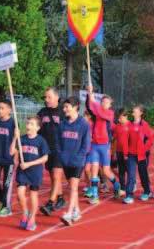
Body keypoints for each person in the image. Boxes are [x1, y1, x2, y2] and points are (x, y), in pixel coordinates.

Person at [58, 96, 91, 226]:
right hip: (65, 161)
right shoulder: (62, 124)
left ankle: (69, 213)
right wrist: (61, 155)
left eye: (67, 107)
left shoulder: (83, 124)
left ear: (76, 107)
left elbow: (86, 144)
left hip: (77, 161)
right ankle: (77, 210)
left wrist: (79, 157)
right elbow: (59, 142)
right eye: (64, 107)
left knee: (73, 187)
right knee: (72, 187)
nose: (64, 109)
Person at [13, 117, 49, 231]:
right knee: (19, 194)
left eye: (32, 124)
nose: (28, 125)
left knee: (33, 195)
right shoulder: (21, 139)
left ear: (37, 128)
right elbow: (11, 152)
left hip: (35, 172)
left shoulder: (41, 141)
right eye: (28, 123)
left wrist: (29, 164)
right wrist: (15, 137)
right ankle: (25, 213)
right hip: (22, 171)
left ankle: (32, 218)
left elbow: (45, 158)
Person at [86, 86, 120, 204]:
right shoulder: (96, 111)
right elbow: (90, 106)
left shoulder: (110, 114)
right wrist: (90, 93)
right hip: (95, 145)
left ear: (110, 104)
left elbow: (100, 112)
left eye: (107, 102)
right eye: (103, 102)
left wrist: (94, 100)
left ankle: (116, 184)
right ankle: (95, 195)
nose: (105, 103)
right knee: (94, 169)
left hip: (105, 146)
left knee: (106, 171)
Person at [38, 88, 67, 216]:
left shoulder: (63, 112)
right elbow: (36, 128)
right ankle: (60, 198)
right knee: (53, 177)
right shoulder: (42, 112)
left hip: (59, 149)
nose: (46, 100)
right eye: (45, 97)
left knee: (56, 176)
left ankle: (50, 203)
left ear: (56, 97)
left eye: (49, 97)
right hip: (46, 149)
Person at [0, 99, 17, 217]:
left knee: (6, 184)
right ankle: (1, 200)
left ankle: (5, 207)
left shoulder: (13, 124)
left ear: (9, 110)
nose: (0, 110)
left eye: (2, 108)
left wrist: (16, 137)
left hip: (8, 159)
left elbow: (16, 142)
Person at [128, 105, 154, 202]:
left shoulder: (144, 125)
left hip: (142, 155)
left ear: (140, 113)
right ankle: (129, 195)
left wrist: (144, 148)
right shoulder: (129, 124)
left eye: (135, 111)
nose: (133, 113)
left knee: (143, 173)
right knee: (131, 174)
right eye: (133, 111)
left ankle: (147, 191)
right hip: (131, 154)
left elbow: (150, 139)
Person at [112, 109, 130, 200]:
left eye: (120, 118)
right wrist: (114, 152)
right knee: (121, 171)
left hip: (128, 153)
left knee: (129, 171)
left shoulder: (130, 126)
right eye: (118, 118)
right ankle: (123, 188)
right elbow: (114, 139)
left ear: (125, 116)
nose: (119, 120)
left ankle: (130, 187)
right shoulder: (117, 127)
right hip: (119, 152)